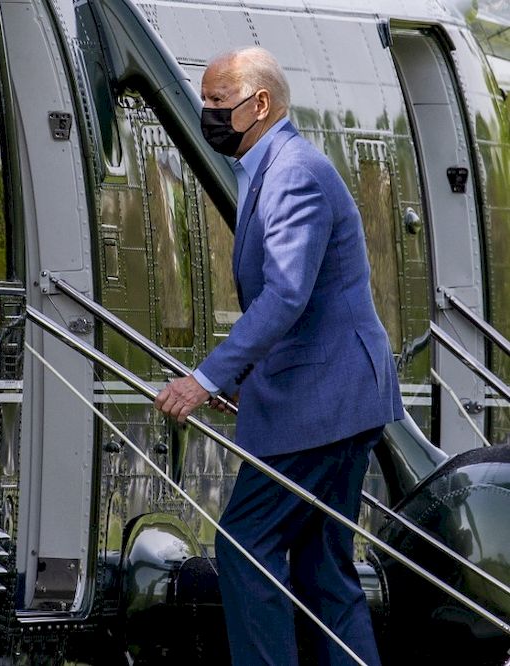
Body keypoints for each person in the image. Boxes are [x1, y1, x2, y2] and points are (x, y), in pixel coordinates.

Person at [154, 47, 403, 665]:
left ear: (259, 105)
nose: (206, 112)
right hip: (334, 400)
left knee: (244, 546)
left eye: (217, 101)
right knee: (323, 573)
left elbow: (287, 293)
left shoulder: (292, 172)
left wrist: (207, 378)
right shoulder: (276, 168)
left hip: (321, 406)